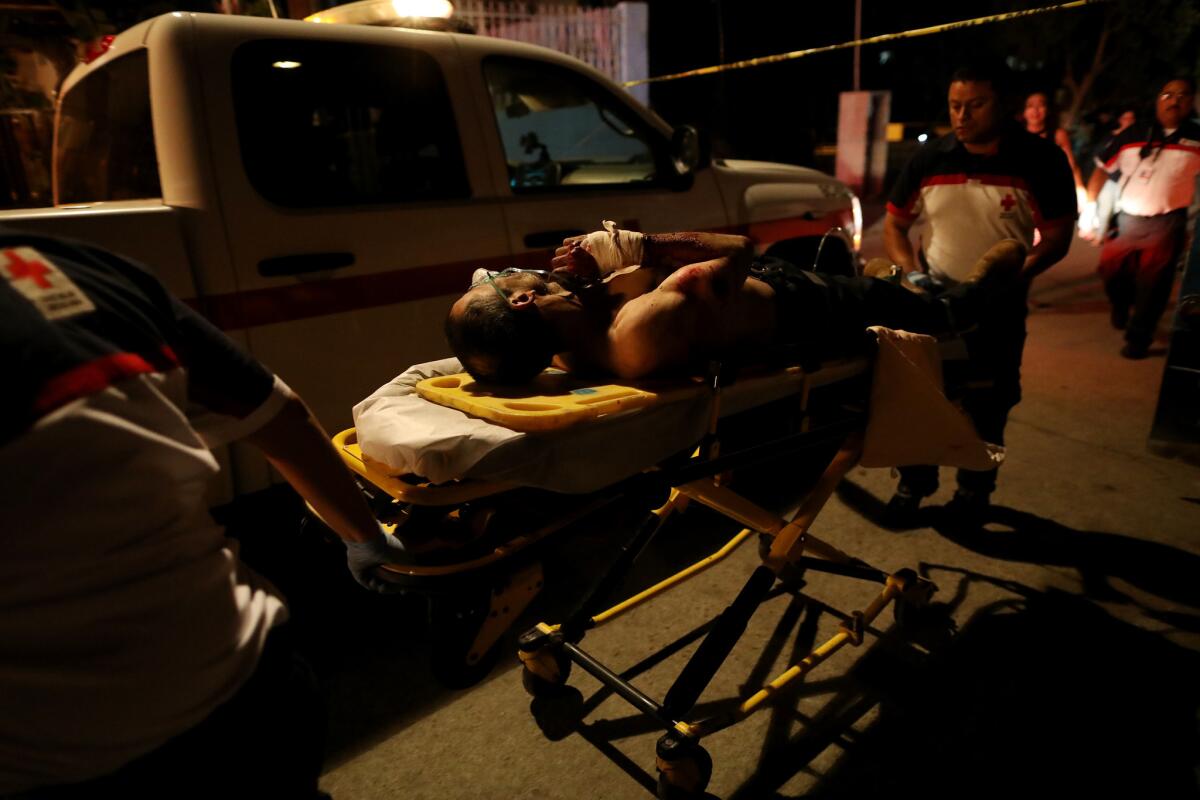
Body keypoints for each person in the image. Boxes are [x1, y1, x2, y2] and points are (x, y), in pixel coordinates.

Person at [0, 227, 408, 796]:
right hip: (253, 688)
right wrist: (364, 536)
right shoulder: (70, 265)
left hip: (65, 755)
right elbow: (279, 415)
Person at [445, 225, 1025, 386]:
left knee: (833, 253)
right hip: (803, 306)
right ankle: (964, 293)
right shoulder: (636, 332)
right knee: (943, 314)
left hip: (752, 290)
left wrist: (597, 271)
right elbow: (735, 250)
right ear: (523, 301)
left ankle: (901, 281)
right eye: (495, 281)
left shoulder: (567, 348)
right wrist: (634, 245)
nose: (505, 270)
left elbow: (648, 280)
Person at [881, 62, 1077, 526]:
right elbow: (895, 223)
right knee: (921, 398)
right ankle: (915, 482)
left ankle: (974, 491)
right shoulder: (929, 159)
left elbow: (1056, 237)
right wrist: (912, 274)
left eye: (975, 104)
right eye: (955, 105)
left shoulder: (1040, 160)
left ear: (1003, 105)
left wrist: (1010, 278)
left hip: (998, 307)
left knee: (990, 404)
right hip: (932, 303)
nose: (962, 115)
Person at [1081, 77, 1200, 360]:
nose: (1175, 100)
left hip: (1167, 223)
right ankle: (1120, 306)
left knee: (1154, 285)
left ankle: (1139, 338)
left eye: (1182, 95)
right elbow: (1101, 169)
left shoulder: (1196, 138)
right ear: (1158, 100)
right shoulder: (1132, 133)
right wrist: (1090, 208)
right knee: (1111, 271)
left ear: (1191, 102)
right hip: (1127, 220)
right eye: (1167, 94)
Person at [1023, 90, 1085, 204]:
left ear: (1048, 110)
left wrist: (1080, 190)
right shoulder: (1016, 136)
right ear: (1023, 112)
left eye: (1041, 105)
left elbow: (1071, 165)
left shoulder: (1058, 135)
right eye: (1030, 105)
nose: (1035, 110)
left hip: (1051, 194)